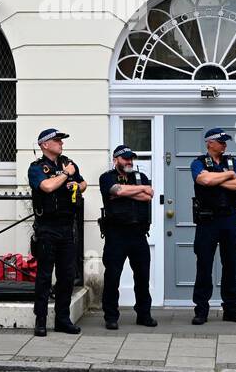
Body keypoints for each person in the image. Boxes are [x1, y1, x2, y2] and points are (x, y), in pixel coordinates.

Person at [27, 128, 86, 337]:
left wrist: (76, 185)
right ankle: (40, 320)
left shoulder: (68, 163)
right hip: (47, 228)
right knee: (44, 276)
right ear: (44, 144)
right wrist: (65, 175)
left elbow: (84, 183)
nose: (61, 143)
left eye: (61, 140)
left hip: (66, 227)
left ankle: (62, 319)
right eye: (57, 140)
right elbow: (47, 187)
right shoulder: (36, 168)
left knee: (67, 276)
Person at [190, 127, 236, 326]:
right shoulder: (198, 163)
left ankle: (231, 309)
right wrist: (229, 176)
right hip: (207, 221)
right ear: (209, 143)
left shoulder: (233, 163)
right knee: (204, 266)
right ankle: (201, 311)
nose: (224, 145)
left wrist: (218, 179)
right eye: (221, 141)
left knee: (230, 265)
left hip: (229, 219)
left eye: (225, 142)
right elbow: (203, 179)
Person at [97, 145, 157, 331]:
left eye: (131, 158)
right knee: (113, 277)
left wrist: (131, 191)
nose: (129, 161)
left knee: (142, 277)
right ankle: (111, 316)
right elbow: (117, 191)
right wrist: (138, 190)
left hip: (138, 234)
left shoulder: (140, 177)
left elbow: (149, 196)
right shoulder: (107, 177)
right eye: (125, 158)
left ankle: (144, 314)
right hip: (116, 235)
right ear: (116, 160)